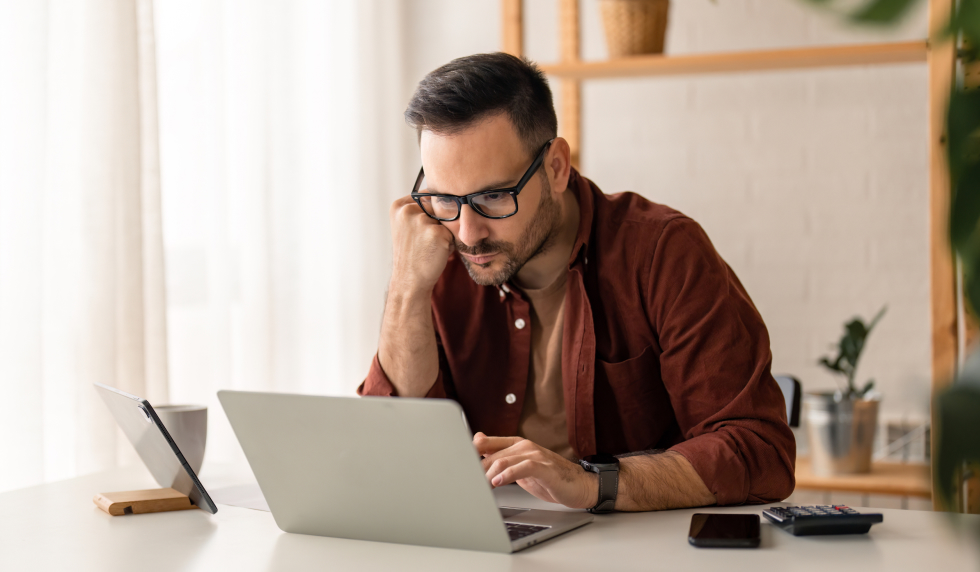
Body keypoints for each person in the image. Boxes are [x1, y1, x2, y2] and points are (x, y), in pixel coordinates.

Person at [359, 52, 795, 512]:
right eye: (444, 198)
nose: (468, 233)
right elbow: (389, 449)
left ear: (556, 167)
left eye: (493, 196)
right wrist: (408, 286)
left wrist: (591, 483)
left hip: (639, 547)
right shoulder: (436, 255)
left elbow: (759, 450)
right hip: (487, 543)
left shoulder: (663, 253)